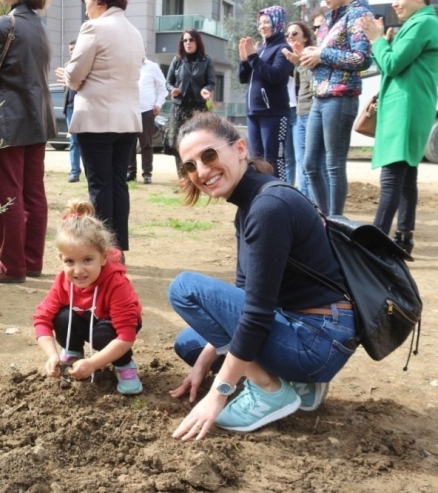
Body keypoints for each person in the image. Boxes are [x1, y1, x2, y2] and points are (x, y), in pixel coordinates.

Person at [167, 112, 357, 440]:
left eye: (209, 155)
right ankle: (303, 387)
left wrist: (220, 391)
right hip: (311, 328)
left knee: (185, 288)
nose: (201, 171)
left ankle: (271, 389)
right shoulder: (252, 204)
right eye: (190, 165)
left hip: (317, 339)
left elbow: (255, 315)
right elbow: (243, 297)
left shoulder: (268, 208)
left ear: (240, 148)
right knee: (191, 346)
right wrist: (203, 364)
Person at [0, 0, 56, 284]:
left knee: (5, 196)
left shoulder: (1, 25)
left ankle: (12, 266)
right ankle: (30, 262)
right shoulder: (40, 27)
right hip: (36, 121)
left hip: (4, 122)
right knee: (33, 194)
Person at [57, 0, 144, 257]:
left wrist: (67, 76)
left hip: (97, 118)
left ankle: (104, 247)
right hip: (127, 119)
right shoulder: (134, 32)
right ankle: (117, 249)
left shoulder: (94, 28)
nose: (84, 4)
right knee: (118, 183)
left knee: (99, 185)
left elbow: (75, 77)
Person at [33, 200, 143, 395]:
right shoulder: (63, 281)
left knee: (101, 335)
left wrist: (93, 364)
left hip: (115, 328)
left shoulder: (116, 284)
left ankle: (124, 364)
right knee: (62, 317)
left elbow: (126, 335)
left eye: (87, 260)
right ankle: (73, 353)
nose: (78, 270)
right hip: (88, 319)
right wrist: (52, 355)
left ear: (103, 257)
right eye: (69, 261)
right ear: (61, 260)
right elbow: (42, 319)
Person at [363, 0, 438, 254]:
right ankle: (403, 237)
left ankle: (375, 242)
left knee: (392, 176)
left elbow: (393, 64)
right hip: (410, 106)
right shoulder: (418, 23)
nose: (394, 4)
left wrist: (377, 39)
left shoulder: (424, 23)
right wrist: (383, 40)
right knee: (406, 175)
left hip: (407, 108)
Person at [300, 0, 373, 217]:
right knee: (311, 164)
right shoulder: (331, 17)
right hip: (320, 97)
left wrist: (322, 54)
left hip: (341, 97)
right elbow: (324, 57)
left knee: (334, 165)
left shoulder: (359, 13)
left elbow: (361, 59)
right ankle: (326, 219)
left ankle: (335, 221)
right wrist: (309, 57)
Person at [238, 6, 294, 180]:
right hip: (254, 112)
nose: (262, 26)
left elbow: (275, 75)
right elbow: (242, 78)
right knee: (257, 160)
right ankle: (263, 195)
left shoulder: (283, 48)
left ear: (278, 23)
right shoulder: (261, 49)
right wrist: (244, 61)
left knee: (273, 159)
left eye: (267, 22)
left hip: (273, 114)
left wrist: (254, 57)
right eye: (260, 23)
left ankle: (282, 196)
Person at [282, 21, 325, 199]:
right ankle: (292, 199)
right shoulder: (285, 54)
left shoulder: (311, 54)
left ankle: (311, 204)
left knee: (309, 163)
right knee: (291, 160)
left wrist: (299, 61)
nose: (290, 37)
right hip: (291, 111)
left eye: (295, 34)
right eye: (288, 34)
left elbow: (313, 80)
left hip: (307, 111)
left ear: (305, 37)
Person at [165, 29, 215, 179]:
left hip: (198, 109)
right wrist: (172, 89)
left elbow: (211, 82)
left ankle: (198, 177)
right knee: (178, 144)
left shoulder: (206, 60)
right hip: (179, 108)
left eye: (191, 40)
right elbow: (168, 82)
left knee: (198, 144)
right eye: (185, 40)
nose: (188, 43)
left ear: (197, 42)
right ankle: (183, 179)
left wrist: (206, 90)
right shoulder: (177, 60)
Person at [128, 57, 167, 184]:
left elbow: (163, 88)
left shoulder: (153, 67)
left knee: (146, 144)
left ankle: (147, 173)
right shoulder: (127, 65)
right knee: (129, 144)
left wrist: (158, 104)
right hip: (129, 110)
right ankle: (130, 172)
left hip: (147, 111)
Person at [63, 40, 82, 183]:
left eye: (74, 48)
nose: (71, 51)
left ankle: (89, 172)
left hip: (83, 108)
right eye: (70, 49)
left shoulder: (85, 65)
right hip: (69, 109)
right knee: (73, 141)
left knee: (87, 141)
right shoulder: (66, 67)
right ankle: (75, 172)